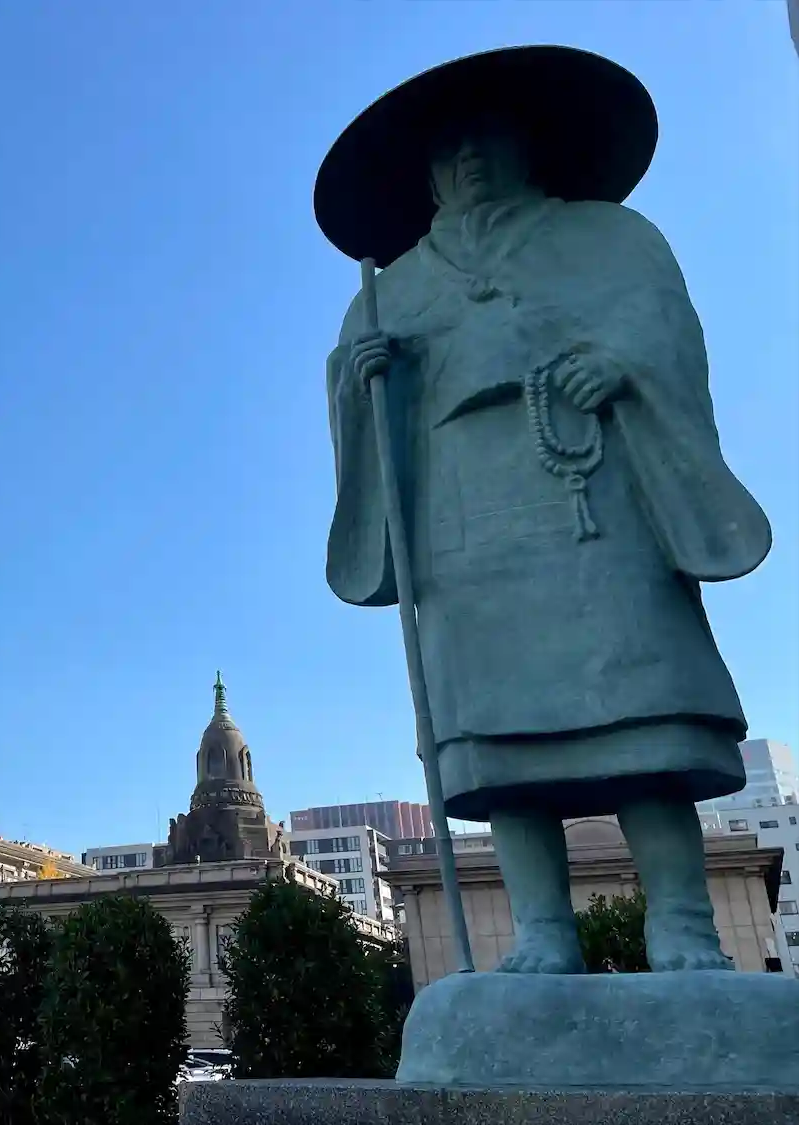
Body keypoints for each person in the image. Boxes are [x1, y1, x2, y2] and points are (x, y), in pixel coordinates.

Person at [315, 46, 771, 974]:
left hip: (592, 498)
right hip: (461, 523)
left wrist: (620, 365)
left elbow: (664, 335)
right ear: (428, 175)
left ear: (529, 145)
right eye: (450, 149)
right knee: (497, 740)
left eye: (488, 138)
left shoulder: (611, 239)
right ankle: (542, 933)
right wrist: (364, 387)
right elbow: (360, 405)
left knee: (643, 708)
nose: (470, 158)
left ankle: (684, 924)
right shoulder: (389, 290)